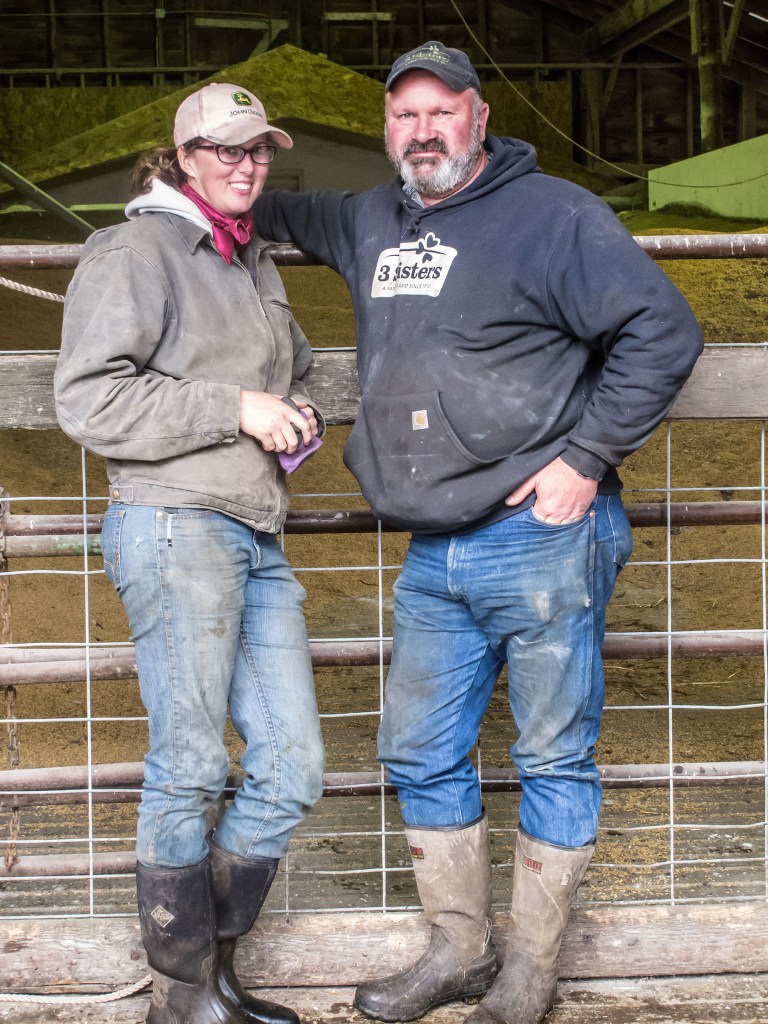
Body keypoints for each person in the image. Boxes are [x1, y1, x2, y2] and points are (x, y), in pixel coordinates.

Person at [253, 40, 704, 1024]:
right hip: (432, 547)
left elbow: (662, 331)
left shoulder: (556, 218)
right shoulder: (373, 216)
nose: (422, 132)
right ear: (386, 132)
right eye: (402, 117)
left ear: (479, 116)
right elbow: (272, 206)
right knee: (418, 748)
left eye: (439, 112)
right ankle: (458, 949)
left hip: (540, 533)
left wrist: (584, 460)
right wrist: (195, 203)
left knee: (550, 754)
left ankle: (530, 971)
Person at [54, 82, 326, 1024]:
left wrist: (299, 411)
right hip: (173, 524)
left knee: (292, 766)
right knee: (190, 764)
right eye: (227, 151)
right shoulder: (136, 250)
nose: (247, 165)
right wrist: (234, 408)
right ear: (183, 157)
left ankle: (210, 969)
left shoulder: (249, 259)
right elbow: (90, 399)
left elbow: (293, 363)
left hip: (253, 528)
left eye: (259, 152)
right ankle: (185, 993)